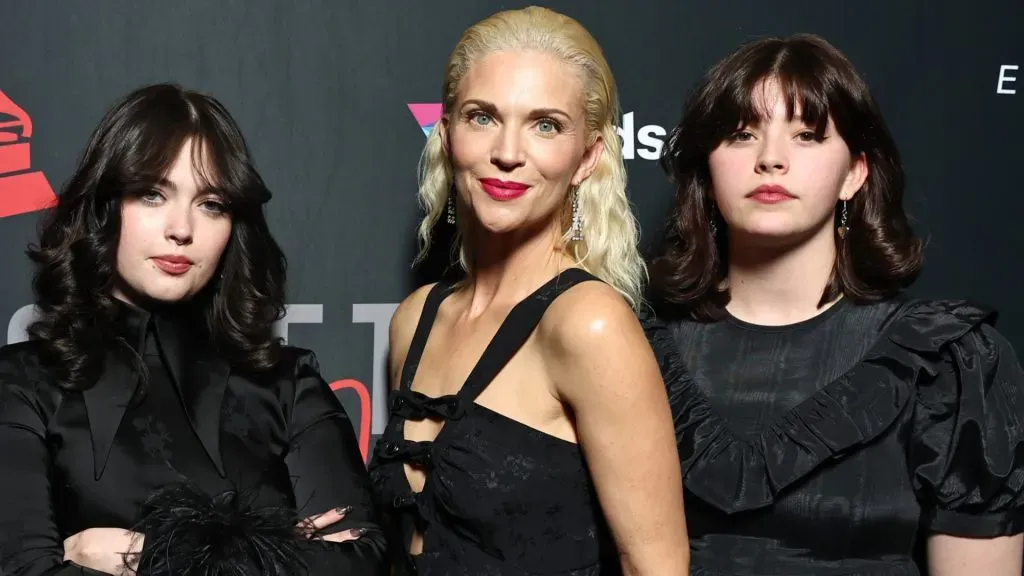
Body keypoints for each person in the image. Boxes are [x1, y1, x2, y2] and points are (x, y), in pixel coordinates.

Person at [646, 34, 1024, 575]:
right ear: (707, 171)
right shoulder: (635, 349)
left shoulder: (947, 363)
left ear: (854, 174)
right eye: (742, 134)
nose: (770, 160)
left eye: (807, 135)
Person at [0, 84, 386, 576]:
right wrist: (275, 554)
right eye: (152, 194)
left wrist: (145, 555)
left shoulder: (288, 386)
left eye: (212, 204)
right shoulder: (20, 385)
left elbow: (362, 564)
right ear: (105, 207)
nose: (181, 229)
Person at [368, 6, 688, 575]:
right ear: (447, 133)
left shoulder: (589, 323)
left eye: (546, 125)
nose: (508, 152)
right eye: (482, 117)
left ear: (587, 157)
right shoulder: (415, 318)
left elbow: (655, 565)